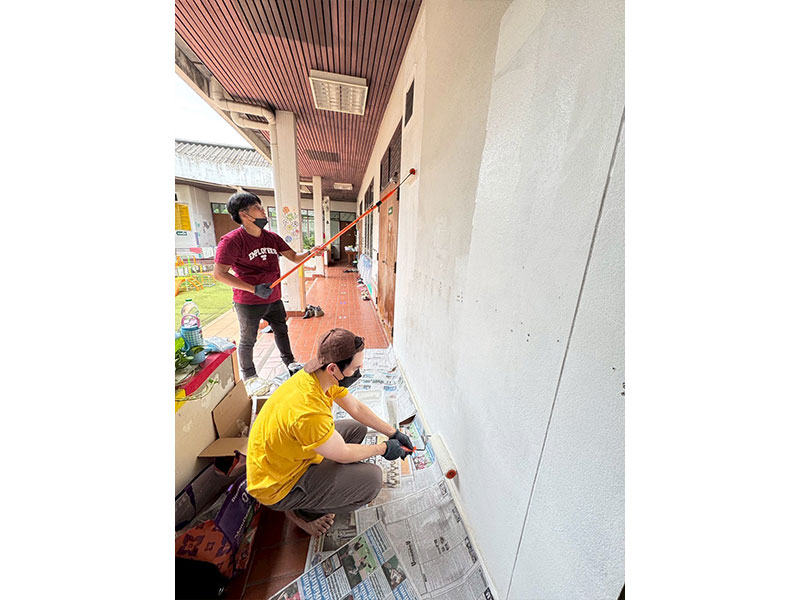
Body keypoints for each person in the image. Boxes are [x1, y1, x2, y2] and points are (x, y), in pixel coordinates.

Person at [246, 328, 415, 537]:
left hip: (285, 458)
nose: (359, 372)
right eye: (356, 368)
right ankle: (302, 511)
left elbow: (356, 408)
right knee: (372, 480)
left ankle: (324, 482)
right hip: (277, 485)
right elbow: (343, 452)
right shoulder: (308, 411)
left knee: (357, 428)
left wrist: (393, 433)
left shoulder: (319, 377)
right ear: (333, 368)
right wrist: (383, 449)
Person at [213, 192, 322, 395]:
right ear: (244, 215)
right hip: (248, 301)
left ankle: (290, 363)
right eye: (257, 207)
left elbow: (294, 257)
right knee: (248, 340)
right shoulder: (232, 241)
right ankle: (250, 377)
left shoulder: (271, 238)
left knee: (281, 331)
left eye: (261, 207)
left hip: (273, 297)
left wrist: (311, 252)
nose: (263, 211)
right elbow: (219, 274)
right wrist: (253, 289)